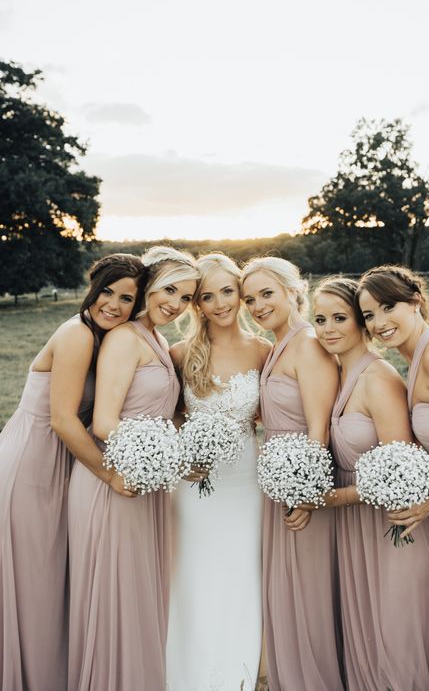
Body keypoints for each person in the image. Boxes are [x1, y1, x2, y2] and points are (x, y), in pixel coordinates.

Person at [0, 253, 147, 691]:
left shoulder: (110, 337)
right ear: (92, 286)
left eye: (127, 298)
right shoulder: (77, 334)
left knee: (45, 580)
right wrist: (109, 476)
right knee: (32, 579)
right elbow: (63, 420)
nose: (114, 305)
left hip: (60, 462)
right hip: (32, 463)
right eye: (108, 291)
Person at [67, 246, 199, 691]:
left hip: (146, 479)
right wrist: (166, 459)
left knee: (137, 596)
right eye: (169, 290)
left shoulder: (158, 339)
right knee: (114, 598)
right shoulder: (125, 338)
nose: (176, 303)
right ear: (148, 286)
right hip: (116, 481)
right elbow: (104, 421)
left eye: (185, 297)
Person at [313, 275, 429, 691]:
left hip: (390, 526)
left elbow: (400, 468)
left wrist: (333, 498)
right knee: (365, 631)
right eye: (319, 319)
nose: (328, 328)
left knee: (395, 634)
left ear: (360, 324)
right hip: (355, 528)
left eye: (339, 318)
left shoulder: (378, 379)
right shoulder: (337, 376)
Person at [357, 264, 429, 691]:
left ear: (415, 301)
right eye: (369, 315)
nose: (380, 322)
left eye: (389, 307)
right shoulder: (414, 361)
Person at [166, 253, 270, 691]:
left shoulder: (266, 350)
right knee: (194, 571)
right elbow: (168, 417)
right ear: (197, 306)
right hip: (194, 485)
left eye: (228, 291)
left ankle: (242, 672)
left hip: (247, 481)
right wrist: (185, 451)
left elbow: (276, 414)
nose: (220, 303)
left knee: (243, 570)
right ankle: (189, 671)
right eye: (207, 296)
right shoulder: (178, 353)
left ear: (241, 293)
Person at [241, 257, 343, 691]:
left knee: (305, 590)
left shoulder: (308, 343)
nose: (257, 305)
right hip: (279, 480)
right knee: (284, 588)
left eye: (267, 293)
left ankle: (312, 677)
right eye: (250, 299)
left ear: (292, 291)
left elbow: (319, 427)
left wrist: (307, 493)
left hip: (304, 487)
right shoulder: (277, 344)